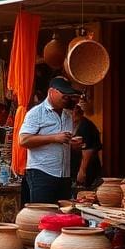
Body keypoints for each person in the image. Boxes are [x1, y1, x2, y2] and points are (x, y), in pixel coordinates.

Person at [19, 76, 84, 204]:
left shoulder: (67, 115)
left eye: (68, 96)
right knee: (42, 215)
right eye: (63, 95)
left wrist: (72, 145)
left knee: (62, 215)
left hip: (64, 174)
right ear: (51, 92)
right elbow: (23, 140)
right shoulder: (36, 113)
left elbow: (62, 141)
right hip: (42, 173)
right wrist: (54, 138)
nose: (66, 99)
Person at [72, 100, 102, 191]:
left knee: (84, 192)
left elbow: (88, 149)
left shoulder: (85, 126)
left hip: (87, 167)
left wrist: (82, 171)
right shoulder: (74, 124)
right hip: (75, 165)